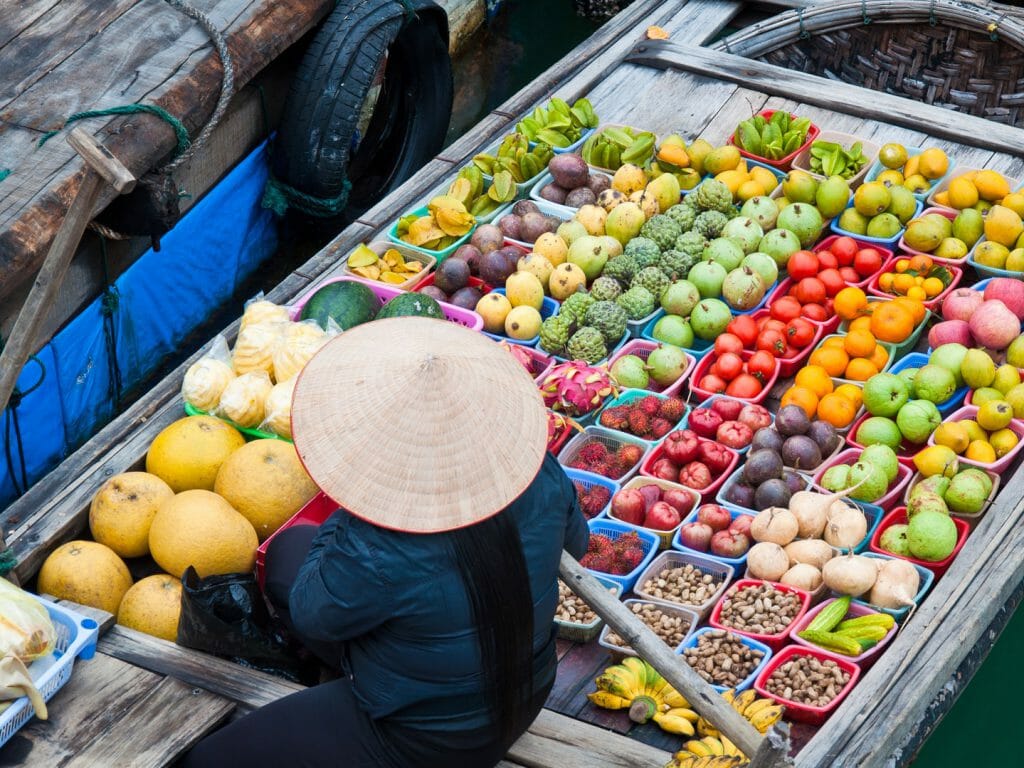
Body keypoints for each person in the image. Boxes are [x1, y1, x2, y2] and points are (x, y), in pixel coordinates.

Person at [183, 316, 589, 768]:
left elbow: (314, 617)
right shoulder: (536, 471)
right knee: (286, 552)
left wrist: (351, 512)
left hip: (426, 738)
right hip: (529, 685)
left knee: (206, 761)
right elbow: (577, 542)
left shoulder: (376, 543)